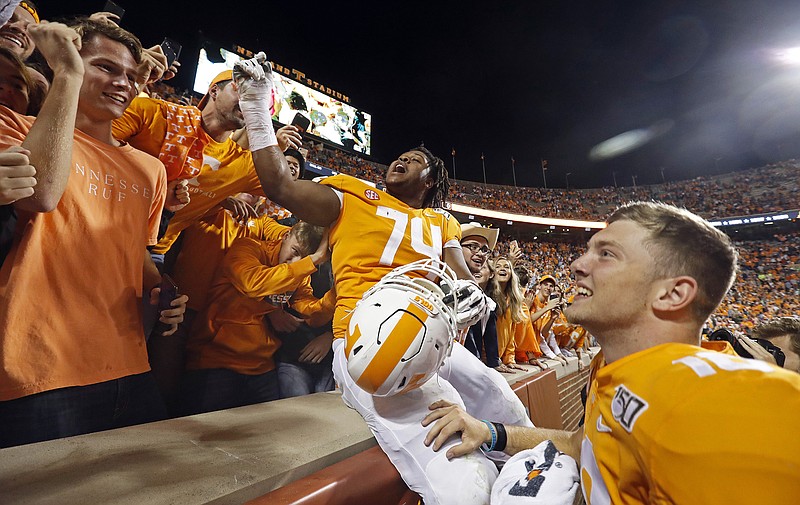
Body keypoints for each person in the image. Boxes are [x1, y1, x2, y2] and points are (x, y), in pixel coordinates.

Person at [231, 53, 532, 505]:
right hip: (369, 336)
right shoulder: (353, 194)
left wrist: (474, 295)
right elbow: (280, 188)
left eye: (414, 160)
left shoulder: (440, 221)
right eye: (400, 156)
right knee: (454, 461)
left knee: (499, 399)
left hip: (435, 336)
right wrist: (257, 108)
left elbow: (463, 277)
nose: (401, 161)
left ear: (432, 180)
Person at [423, 201, 800, 504]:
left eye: (606, 254)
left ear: (672, 294)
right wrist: (490, 432)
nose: (576, 265)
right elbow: (581, 444)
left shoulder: (735, 402)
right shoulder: (619, 368)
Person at [0, 18, 186, 448]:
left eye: (129, 75)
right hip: (40, 368)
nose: (122, 83)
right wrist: (67, 72)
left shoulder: (150, 168)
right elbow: (42, 193)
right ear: (64, 61)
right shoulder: (15, 125)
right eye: (104, 67)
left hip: (130, 366)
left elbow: (133, 252)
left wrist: (164, 288)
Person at [180, 220, 334, 415]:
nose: (295, 261)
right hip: (216, 362)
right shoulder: (248, 247)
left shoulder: (301, 271)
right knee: (205, 438)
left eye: (303, 258)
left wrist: (335, 294)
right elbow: (253, 283)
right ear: (285, 236)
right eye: (294, 251)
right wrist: (312, 261)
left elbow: (311, 313)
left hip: (262, 367)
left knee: (267, 438)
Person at [459, 222, 510, 373]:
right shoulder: (438, 280)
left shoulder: (484, 301)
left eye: (484, 249)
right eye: (473, 247)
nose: (480, 253)